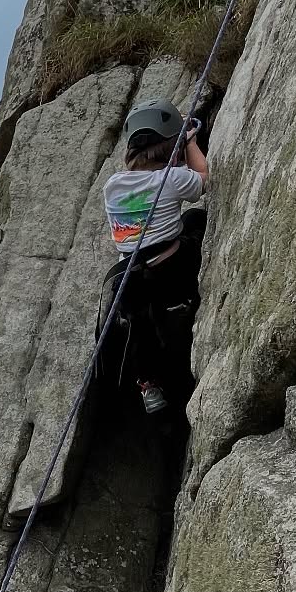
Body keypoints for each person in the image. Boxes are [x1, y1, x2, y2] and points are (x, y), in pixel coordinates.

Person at [101, 99, 208, 416]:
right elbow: (203, 176)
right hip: (172, 276)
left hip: (130, 281)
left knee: (140, 318)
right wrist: (189, 142)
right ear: (170, 149)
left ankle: (148, 386)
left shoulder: (112, 187)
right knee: (195, 220)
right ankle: (190, 304)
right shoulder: (173, 180)